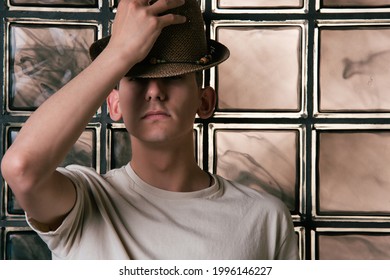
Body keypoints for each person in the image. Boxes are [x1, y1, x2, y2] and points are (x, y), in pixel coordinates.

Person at [1, 0, 299, 260]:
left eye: (174, 77)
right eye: (136, 77)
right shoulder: (84, 202)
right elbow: (21, 168)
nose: (154, 91)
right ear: (114, 104)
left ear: (204, 101)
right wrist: (119, 53)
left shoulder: (265, 218)